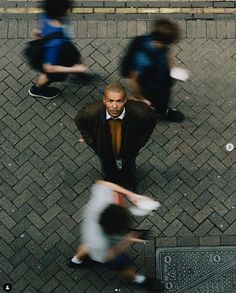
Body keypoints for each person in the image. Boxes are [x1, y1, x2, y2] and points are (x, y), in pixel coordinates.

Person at [67, 180, 163, 292]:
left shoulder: (103, 202)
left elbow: (103, 184)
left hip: (91, 235)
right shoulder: (100, 243)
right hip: (102, 252)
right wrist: (127, 240)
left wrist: (131, 195)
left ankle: (75, 261)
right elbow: (110, 255)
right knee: (124, 266)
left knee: (87, 246)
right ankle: (137, 279)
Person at [74, 82, 157, 188]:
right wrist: (93, 143)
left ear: (125, 101)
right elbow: (80, 122)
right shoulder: (90, 112)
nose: (114, 106)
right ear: (104, 100)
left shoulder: (140, 112)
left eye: (119, 101)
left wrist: (140, 142)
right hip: (104, 149)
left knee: (129, 164)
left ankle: (128, 180)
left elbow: (152, 120)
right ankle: (111, 180)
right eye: (110, 101)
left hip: (129, 149)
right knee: (107, 165)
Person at [122, 18, 185, 123]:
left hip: (159, 80)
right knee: (156, 103)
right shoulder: (144, 58)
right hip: (151, 87)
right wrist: (140, 98)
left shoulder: (148, 38)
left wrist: (173, 67)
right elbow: (134, 80)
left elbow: (167, 52)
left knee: (162, 99)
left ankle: (159, 110)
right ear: (162, 41)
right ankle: (158, 113)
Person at [28, 0, 88, 100]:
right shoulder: (55, 42)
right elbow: (49, 68)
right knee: (48, 75)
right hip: (56, 57)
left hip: (60, 49)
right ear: (62, 13)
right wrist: (75, 69)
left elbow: (42, 28)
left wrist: (39, 33)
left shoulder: (47, 15)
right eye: (67, 9)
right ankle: (37, 90)